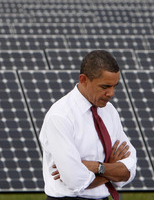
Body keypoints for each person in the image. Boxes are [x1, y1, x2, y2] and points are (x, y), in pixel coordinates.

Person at [39, 50, 137, 200]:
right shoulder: (60, 116)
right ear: (84, 79)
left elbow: (129, 170)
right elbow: (74, 181)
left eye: (114, 86)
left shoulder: (109, 111)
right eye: (105, 87)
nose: (111, 93)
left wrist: (97, 167)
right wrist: (109, 169)